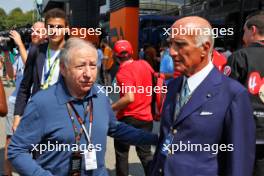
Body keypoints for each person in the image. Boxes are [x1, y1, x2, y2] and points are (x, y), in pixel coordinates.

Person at [8, 37, 158, 176]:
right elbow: (16, 151)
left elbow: (115, 128)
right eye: (80, 66)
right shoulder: (42, 103)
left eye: (93, 65)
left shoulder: (100, 95)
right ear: (63, 69)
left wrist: (155, 138)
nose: (88, 73)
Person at [150, 16, 255, 176]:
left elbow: (239, 163)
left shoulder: (233, 94)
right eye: (170, 44)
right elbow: (166, 137)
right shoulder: (172, 87)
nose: (171, 52)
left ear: (205, 48)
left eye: (180, 45)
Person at [12, 8, 67, 131]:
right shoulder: (36, 51)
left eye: (59, 27)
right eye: (51, 27)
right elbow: (24, 87)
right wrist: (17, 116)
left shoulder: (73, 51)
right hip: (38, 114)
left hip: (63, 116)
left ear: (66, 28)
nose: (54, 31)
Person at [3, 21, 46, 176]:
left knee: (34, 144)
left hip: (33, 104)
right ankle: (7, 173)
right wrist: (6, 53)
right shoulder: (25, 50)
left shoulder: (44, 52)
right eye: (32, 30)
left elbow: (31, 64)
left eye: (38, 30)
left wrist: (20, 43)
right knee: (10, 141)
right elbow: (10, 74)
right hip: (16, 101)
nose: (34, 33)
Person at [225, 11, 264, 176]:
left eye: (244, 31)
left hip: (246, 132)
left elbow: (226, 95)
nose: (243, 36)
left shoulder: (239, 57)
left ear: (253, 30)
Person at [111, 40, 154, 176]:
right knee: (145, 153)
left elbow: (129, 98)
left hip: (128, 118)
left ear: (116, 56)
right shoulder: (145, 64)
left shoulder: (122, 72)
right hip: (146, 117)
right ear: (131, 53)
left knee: (122, 153)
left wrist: (112, 107)